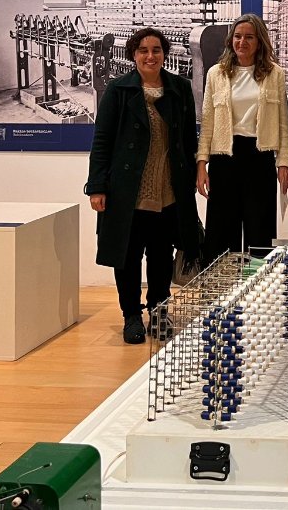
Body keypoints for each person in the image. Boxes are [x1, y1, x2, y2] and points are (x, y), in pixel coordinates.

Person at [85, 27, 201, 344]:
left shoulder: (179, 88)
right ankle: (132, 316)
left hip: (167, 189)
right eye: (143, 50)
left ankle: (160, 312)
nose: (150, 56)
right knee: (128, 255)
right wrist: (97, 186)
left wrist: (192, 175)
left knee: (162, 255)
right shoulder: (118, 90)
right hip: (127, 190)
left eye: (156, 50)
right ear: (133, 55)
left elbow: (189, 139)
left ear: (165, 54)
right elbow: (102, 141)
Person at [197, 13, 288, 260]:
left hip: (259, 157)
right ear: (231, 41)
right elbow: (207, 121)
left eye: (249, 37)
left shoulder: (275, 74)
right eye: (238, 37)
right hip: (224, 158)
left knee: (259, 232)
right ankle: (219, 295)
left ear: (260, 41)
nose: (242, 42)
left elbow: (283, 121)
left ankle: (258, 292)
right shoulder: (216, 74)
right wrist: (201, 164)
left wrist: (283, 163)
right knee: (220, 233)